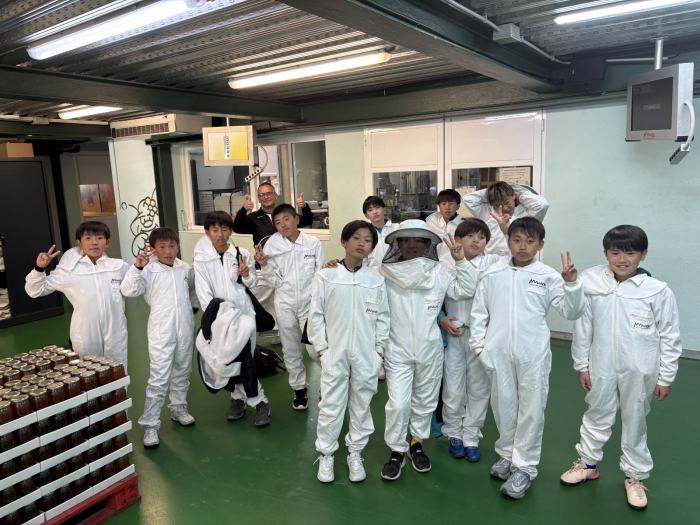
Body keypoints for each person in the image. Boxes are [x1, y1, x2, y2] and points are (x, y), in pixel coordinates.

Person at [559, 225, 681, 511]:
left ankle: (635, 477)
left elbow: (670, 335)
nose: (622, 259)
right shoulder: (592, 282)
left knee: (634, 419)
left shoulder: (657, 291)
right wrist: (582, 364)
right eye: (615, 253)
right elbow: (583, 327)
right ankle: (588, 464)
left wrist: (666, 376)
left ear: (643, 254)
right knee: (596, 414)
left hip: (640, 370)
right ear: (606, 254)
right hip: (601, 365)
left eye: (630, 253)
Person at [469, 217, 584, 499]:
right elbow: (479, 313)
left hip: (533, 354)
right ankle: (507, 454)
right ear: (508, 241)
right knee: (503, 406)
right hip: (497, 353)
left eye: (530, 241)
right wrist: (480, 348)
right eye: (517, 240)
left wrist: (571, 284)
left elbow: (571, 312)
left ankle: (524, 468)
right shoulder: (493, 273)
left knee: (531, 410)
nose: (523, 247)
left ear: (540, 245)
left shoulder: (547, 276)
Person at [379, 219, 477, 482]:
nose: (412, 245)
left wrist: (460, 261)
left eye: (418, 240)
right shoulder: (384, 274)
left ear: (427, 245)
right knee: (398, 404)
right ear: (397, 244)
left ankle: (415, 443)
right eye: (406, 240)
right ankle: (396, 450)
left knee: (424, 402)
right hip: (397, 349)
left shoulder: (439, 272)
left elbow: (466, 288)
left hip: (430, 349)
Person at [308, 220, 390, 483]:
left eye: (368, 240)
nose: (361, 243)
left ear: (372, 247)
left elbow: (383, 318)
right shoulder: (326, 276)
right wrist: (323, 350)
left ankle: (355, 452)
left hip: (366, 355)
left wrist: (378, 352)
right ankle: (326, 454)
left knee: (362, 405)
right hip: (335, 352)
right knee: (331, 405)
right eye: (356, 237)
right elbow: (315, 315)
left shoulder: (375, 280)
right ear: (344, 241)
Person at [121, 227, 199, 449]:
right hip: (160, 329)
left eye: (172, 246)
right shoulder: (148, 269)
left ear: (178, 246)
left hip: (185, 327)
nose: (168, 251)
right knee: (159, 376)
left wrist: (192, 308)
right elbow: (129, 290)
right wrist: (137, 267)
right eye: (162, 247)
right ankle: (150, 424)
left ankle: (178, 408)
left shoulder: (185, 268)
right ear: (153, 249)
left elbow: (193, 291)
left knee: (183, 370)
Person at [193, 211, 270, 426]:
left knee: (246, 359)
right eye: (215, 230)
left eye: (225, 229)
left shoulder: (240, 253)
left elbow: (252, 283)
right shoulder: (201, 260)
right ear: (207, 232)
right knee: (229, 359)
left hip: (244, 316)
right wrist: (220, 317)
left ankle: (258, 401)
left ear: (231, 231)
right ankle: (239, 398)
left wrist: (246, 275)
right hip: (220, 319)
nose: (220, 234)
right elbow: (203, 293)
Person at [439, 218, 501, 462]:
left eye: (482, 237)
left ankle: (471, 436)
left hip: (482, 336)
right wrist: (441, 318)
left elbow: (481, 290)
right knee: (453, 388)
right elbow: (451, 292)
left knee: (479, 388)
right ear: (457, 239)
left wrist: (462, 264)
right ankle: (454, 433)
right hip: (454, 333)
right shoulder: (444, 263)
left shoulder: (493, 263)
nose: (477, 241)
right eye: (470, 236)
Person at [25, 221, 129, 363]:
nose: (94, 243)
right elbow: (35, 290)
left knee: (118, 367)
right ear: (79, 243)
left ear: (107, 242)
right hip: (85, 332)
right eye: (88, 238)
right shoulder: (68, 270)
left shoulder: (118, 267)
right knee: (90, 368)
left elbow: (133, 288)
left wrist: (140, 268)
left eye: (100, 238)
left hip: (115, 329)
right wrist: (39, 268)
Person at [255, 203, 324, 410]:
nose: (283, 225)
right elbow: (272, 281)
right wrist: (264, 265)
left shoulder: (312, 243)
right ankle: (299, 389)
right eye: (277, 222)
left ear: (296, 219)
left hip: (309, 303)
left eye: (286, 219)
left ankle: (328, 384)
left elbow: (320, 273)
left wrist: (317, 300)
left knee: (316, 348)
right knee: (291, 348)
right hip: (284, 303)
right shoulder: (271, 245)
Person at [463, 182, 549, 256]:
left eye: (507, 203)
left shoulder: (526, 213)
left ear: (514, 196)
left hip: (518, 261)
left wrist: (517, 191)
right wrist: (493, 192)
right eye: (498, 205)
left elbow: (542, 204)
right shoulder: (488, 212)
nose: (504, 208)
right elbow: (468, 199)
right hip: (492, 262)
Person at [233, 182, 314, 246]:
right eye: (262, 195)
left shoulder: (286, 214)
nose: (266, 197)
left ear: (275, 195)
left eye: (269, 193)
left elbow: (308, 220)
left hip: (287, 258)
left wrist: (304, 206)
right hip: (264, 259)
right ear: (259, 199)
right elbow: (237, 228)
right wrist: (243, 210)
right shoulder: (253, 218)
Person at [362, 195, 398, 270]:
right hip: (373, 275)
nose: (375, 212)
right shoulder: (365, 234)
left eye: (377, 207)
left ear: (384, 209)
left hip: (395, 274)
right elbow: (362, 260)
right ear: (366, 215)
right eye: (370, 210)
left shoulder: (397, 229)